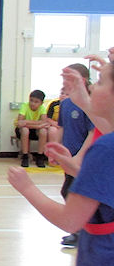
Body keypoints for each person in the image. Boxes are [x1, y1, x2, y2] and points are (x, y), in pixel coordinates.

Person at [8, 61, 114, 266]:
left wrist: (27, 188)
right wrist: (72, 163)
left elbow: (71, 220)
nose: (95, 88)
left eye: (101, 82)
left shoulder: (105, 148)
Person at [52, 64, 95, 248]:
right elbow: (61, 128)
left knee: (74, 192)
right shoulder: (66, 104)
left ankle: (81, 231)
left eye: (69, 79)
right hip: (69, 157)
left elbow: (93, 132)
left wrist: (79, 156)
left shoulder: (90, 104)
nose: (64, 83)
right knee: (68, 191)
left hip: (84, 158)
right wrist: (57, 150)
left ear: (82, 80)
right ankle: (80, 230)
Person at [15, 89, 49, 168]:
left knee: (43, 131)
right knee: (25, 130)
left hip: (34, 130)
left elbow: (44, 122)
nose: (32, 103)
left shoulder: (42, 108)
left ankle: (40, 156)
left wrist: (26, 122)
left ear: (41, 103)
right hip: (23, 130)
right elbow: (20, 122)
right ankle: (25, 156)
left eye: (36, 102)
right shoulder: (25, 106)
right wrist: (38, 125)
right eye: (31, 100)